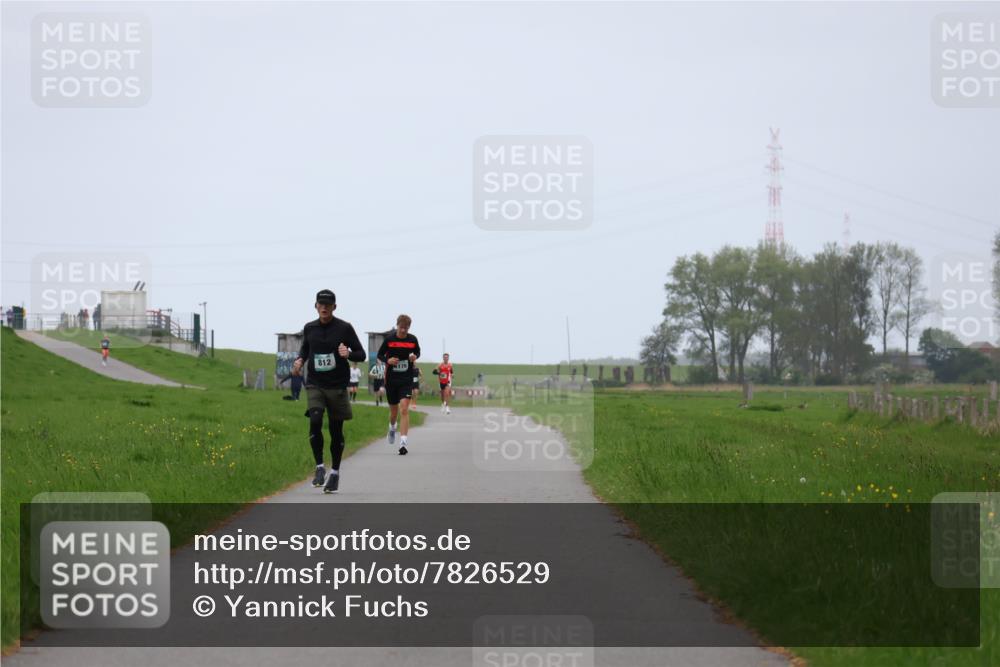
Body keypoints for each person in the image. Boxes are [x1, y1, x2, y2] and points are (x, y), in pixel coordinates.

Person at [292, 289, 366, 494]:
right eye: (320, 304)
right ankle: (319, 468)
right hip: (315, 383)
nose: (324, 307)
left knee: (335, 430)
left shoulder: (344, 328)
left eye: (328, 304)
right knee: (315, 419)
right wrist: (300, 360)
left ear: (334, 307)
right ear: (315, 306)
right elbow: (305, 349)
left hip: (337, 386)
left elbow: (361, 354)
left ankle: (334, 472)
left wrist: (349, 353)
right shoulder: (309, 328)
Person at [376, 314, 420, 455]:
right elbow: (380, 355)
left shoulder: (412, 339)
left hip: (405, 380)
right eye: (401, 328)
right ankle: (392, 427)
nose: (403, 331)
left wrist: (414, 356)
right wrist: (387, 361)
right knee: (394, 412)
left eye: (406, 328)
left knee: (404, 409)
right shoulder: (389, 340)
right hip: (391, 380)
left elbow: (417, 351)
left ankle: (403, 443)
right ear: (397, 326)